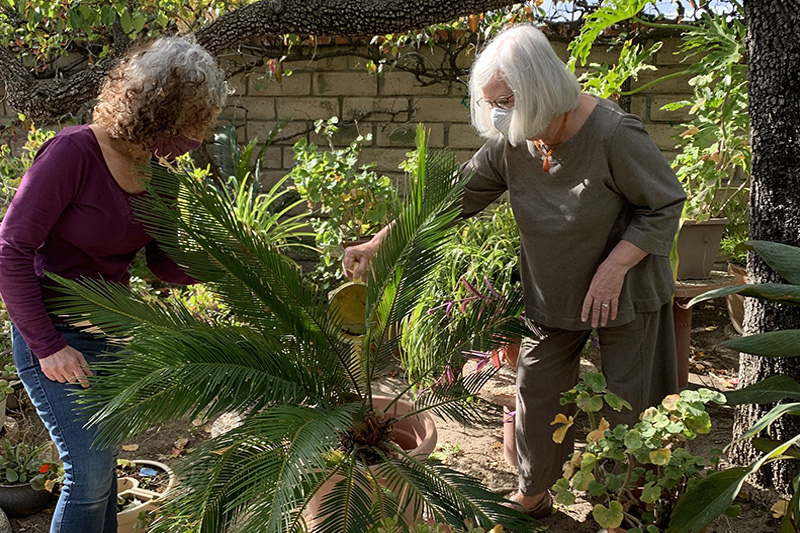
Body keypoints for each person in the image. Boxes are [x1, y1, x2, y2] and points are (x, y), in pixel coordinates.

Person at [343, 24, 685, 532]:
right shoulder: (514, 139)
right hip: (555, 288)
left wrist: (615, 268)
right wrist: (381, 243)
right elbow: (451, 198)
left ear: (539, 89)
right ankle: (533, 495)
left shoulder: (613, 133)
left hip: (625, 287)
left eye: (505, 100)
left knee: (630, 396)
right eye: (491, 103)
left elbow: (664, 204)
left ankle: (625, 505)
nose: (497, 113)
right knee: (537, 386)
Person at [0, 36, 226, 533]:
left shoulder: (160, 167)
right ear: (154, 109)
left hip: (111, 335)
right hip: (54, 336)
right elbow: (12, 249)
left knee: (103, 479)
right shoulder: (73, 152)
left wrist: (224, 264)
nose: (193, 141)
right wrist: (48, 346)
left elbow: (164, 264)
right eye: (186, 126)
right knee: (87, 477)